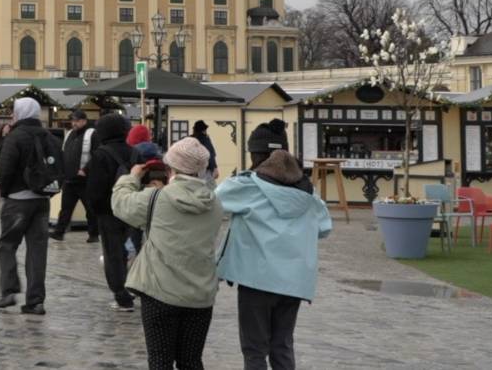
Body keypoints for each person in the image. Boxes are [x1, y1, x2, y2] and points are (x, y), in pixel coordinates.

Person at [111, 138, 223, 370]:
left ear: (170, 168)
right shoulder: (214, 203)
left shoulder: (157, 198)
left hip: (160, 292)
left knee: (160, 361)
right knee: (191, 361)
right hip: (200, 295)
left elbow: (120, 203)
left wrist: (132, 177)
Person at [217, 151, 331, 370]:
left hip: (255, 280)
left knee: (254, 349)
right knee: (282, 345)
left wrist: (244, 175)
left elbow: (218, 197)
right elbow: (325, 228)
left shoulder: (249, 188)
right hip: (293, 283)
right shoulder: (309, 197)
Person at [0, 97, 56, 315]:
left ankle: (9, 290)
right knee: (37, 250)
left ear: (19, 113)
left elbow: (5, 167)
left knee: (7, 244)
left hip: (18, 200)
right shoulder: (47, 136)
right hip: (41, 200)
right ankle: (36, 300)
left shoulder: (15, 136)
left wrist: (5, 193)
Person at [84, 113, 138, 312]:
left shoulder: (101, 154)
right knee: (131, 249)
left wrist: (96, 210)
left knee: (113, 253)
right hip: (132, 209)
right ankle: (133, 286)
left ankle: (121, 293)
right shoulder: (134, 153)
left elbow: (95, 189)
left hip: (109, 211)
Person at [51, 110, 97, 242]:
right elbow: (64, 153)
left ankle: (93, 234)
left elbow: (96, 155)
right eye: (73, 121)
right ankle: (59, 232)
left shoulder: (92, 134)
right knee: (65, 208)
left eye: (76, 121)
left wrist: (86, 170)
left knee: (90, 209)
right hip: (70, 178)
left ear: (84, 121)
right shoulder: (70, 134)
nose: (74, 123)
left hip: (85, 180)